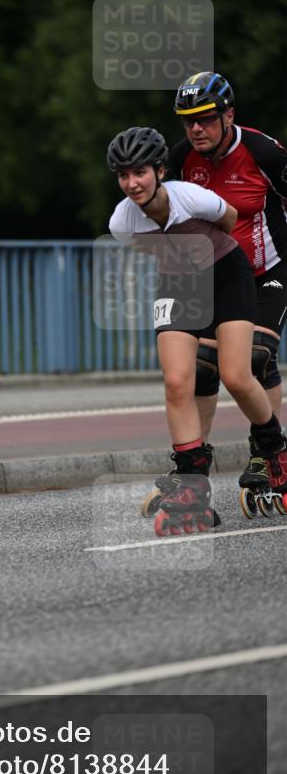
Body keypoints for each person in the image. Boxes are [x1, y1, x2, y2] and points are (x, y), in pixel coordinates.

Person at [107, 126, 287, 534]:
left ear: (159, 170)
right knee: (177, 381)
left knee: (238, 375)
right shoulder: (122, 220)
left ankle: (276, 449)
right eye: (123, 175)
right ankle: (191, 487)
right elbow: (146, 247)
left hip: (227, 274)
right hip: (179, 282)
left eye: (140, 172)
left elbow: (227, 219)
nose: (132, 183)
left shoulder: (191, 196)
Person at [170, 71, 287, 486]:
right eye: (188, 121)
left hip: (270, 269)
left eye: (205, 118)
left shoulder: (264, 152)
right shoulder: (183, 158)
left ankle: (267, 453)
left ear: (229, 115)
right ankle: (194, 465)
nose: (196, 128)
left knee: (254, 360)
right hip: (219, 275)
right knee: (202, 368)